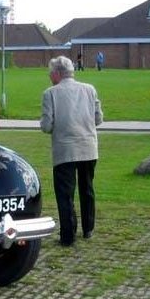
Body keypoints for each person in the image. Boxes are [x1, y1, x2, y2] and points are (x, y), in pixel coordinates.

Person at [40, 56, 104, 246]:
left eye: (51, 73)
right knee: (87, 188)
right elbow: (98, 119)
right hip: (88, 147)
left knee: (65, 194)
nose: (50, 76)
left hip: (65, 150)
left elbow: (46, 126)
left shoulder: (50, 93)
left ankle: (68, 235)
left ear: (58, 73)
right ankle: (88, 228)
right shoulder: (90, 89)